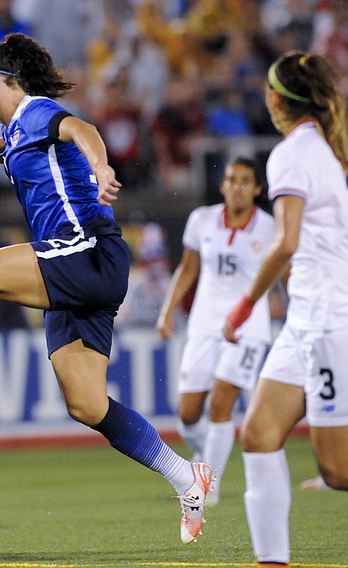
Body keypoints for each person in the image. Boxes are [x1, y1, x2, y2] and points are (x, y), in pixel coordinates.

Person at [0, 33, 214, 545]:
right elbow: (12, 149)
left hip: (86, 249)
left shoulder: (37, 110)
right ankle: (185, 477)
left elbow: (78, 127)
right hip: (83, 268)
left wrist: (102, 165)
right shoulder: (19, 128)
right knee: (86, 405)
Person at [222, 50, 348, 567]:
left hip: (325, 320)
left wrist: (244, 306)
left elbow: (286, 242)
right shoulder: (320, 146)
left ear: (276, 97)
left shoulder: (292, 154)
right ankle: (271, 562)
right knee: (258, 434)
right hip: (308, 320)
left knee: (338, 471)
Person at [156, 157, 275, 506]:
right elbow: (188, 269)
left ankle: (208, 484)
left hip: (247, 327)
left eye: (244, 181)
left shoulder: (269, 227)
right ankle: (203, 457)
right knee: (188, 414)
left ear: (257, 189)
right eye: (231, 179)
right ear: (222, 185)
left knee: (222, 403)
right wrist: (167, 312)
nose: (236, 187)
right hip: (205, 324)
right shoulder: (201, 220)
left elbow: (284, 272)